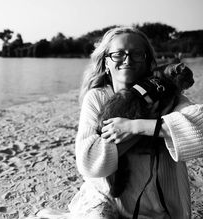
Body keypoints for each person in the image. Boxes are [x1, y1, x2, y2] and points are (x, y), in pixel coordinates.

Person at [33, 26, 203, 219]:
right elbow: (89, 163)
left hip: (159, 205)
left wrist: (135, 126)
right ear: (106, 62)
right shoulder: (97, 97)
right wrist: (160, 127)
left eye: (137, 54)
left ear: (148, 62)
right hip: (105, 199)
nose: (128, 60)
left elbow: (200, 132)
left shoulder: (166, 95)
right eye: (118, 54)